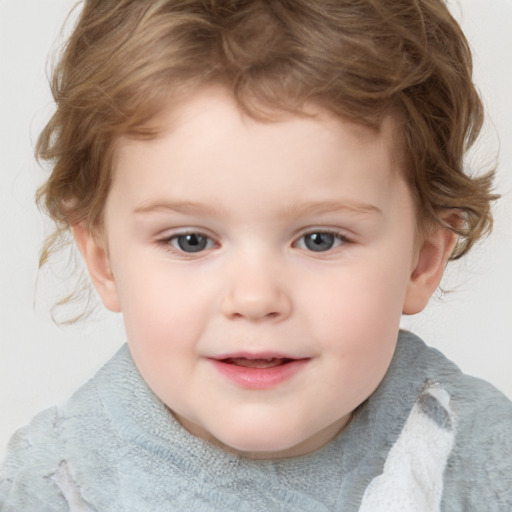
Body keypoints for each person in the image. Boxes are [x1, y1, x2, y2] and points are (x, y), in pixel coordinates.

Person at [1, 0, 511, 510]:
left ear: (422, 260)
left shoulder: (482, 465)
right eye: (190, 240)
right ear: (103, 259)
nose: (254, 298)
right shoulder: (56, 485)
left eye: (320, 239)